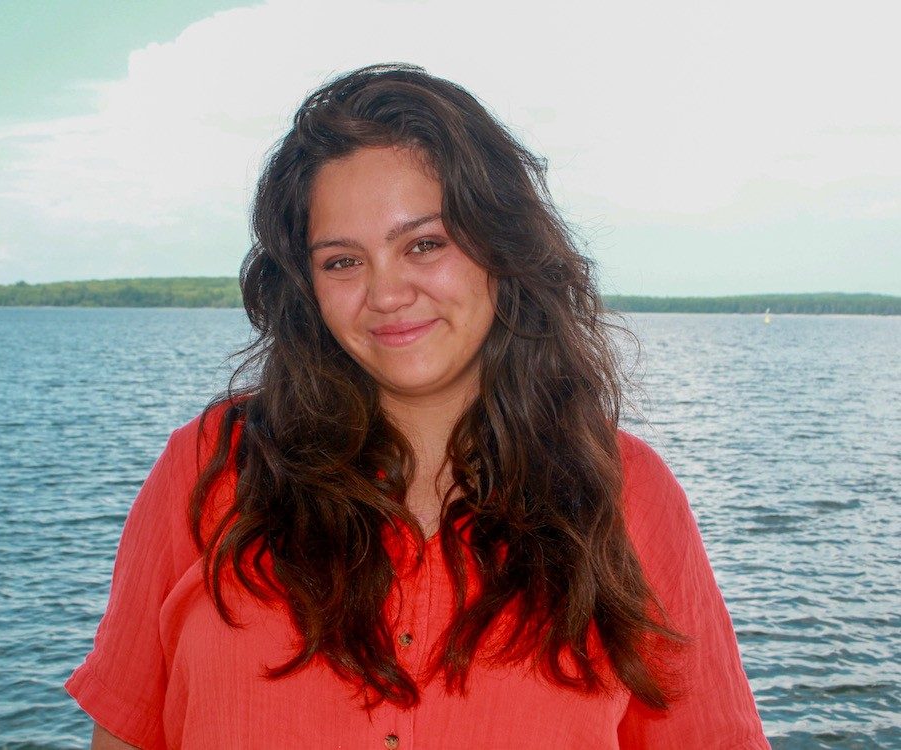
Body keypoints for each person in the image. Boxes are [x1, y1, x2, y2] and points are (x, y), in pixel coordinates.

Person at [65, 63, 769, 749]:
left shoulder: (628, 493)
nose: (387, 293)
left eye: (424, 244)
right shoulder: (207, 468)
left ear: (502, 247)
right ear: (305, 284)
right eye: (342, 260)